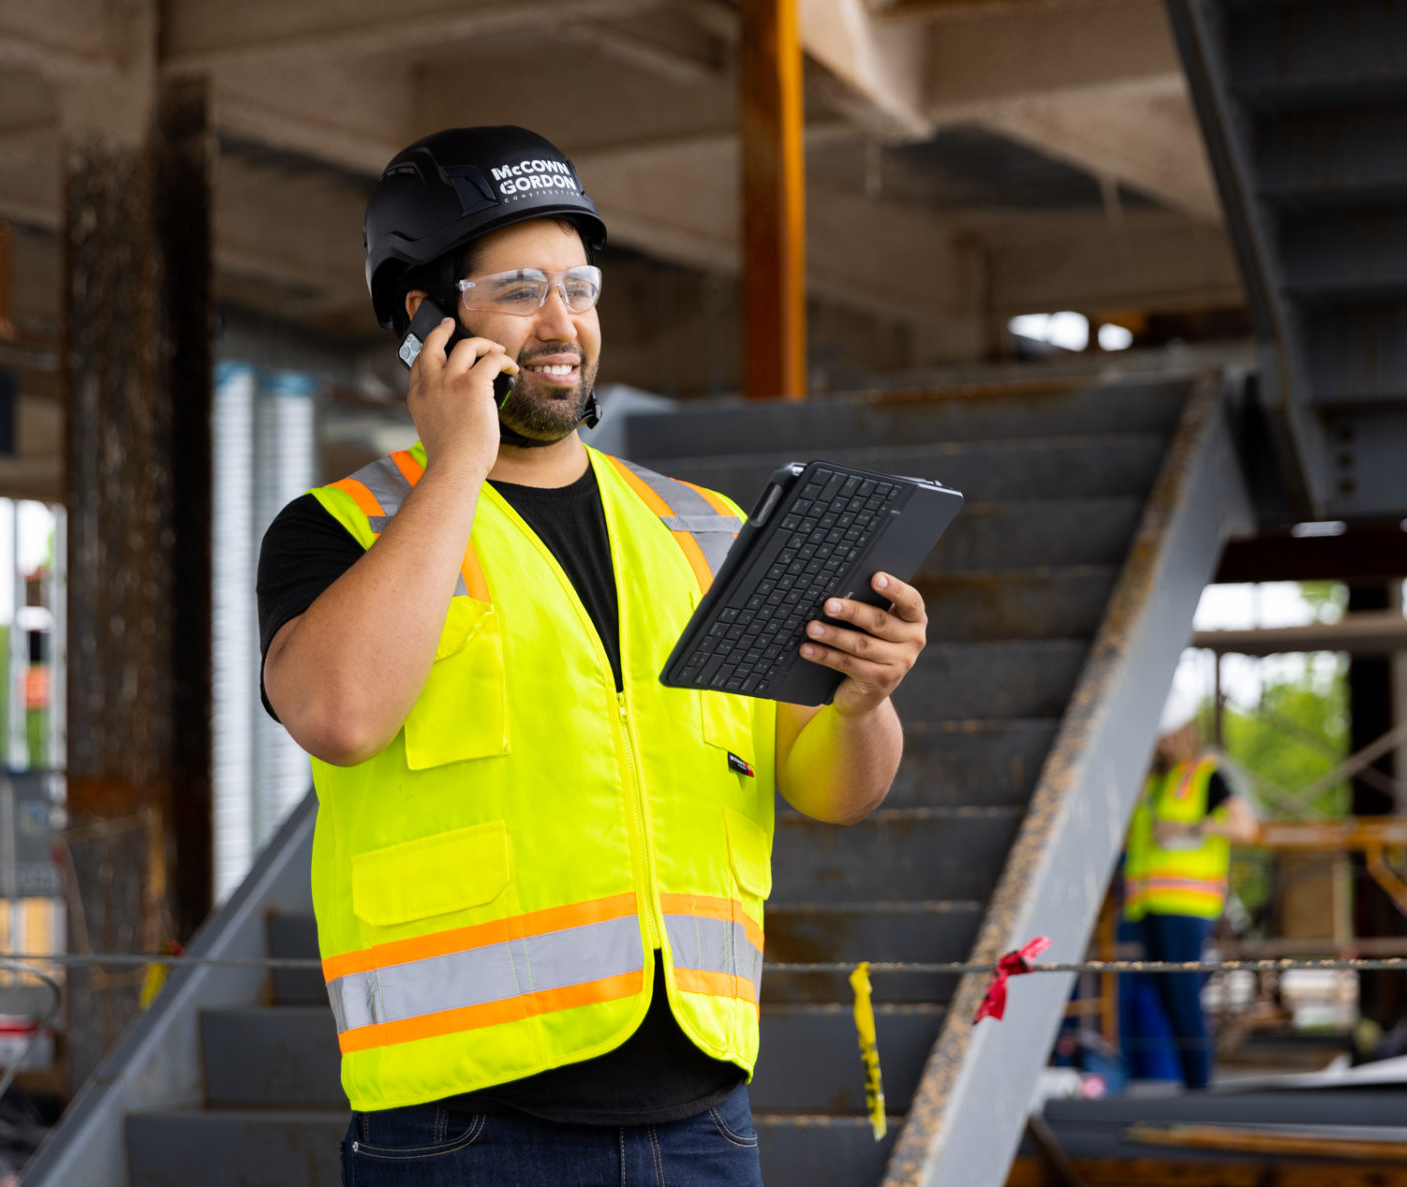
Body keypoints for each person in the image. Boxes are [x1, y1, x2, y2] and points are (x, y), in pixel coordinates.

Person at [255, 126, 930, 1185]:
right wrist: (459, 464)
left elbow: (835, 790)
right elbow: (338, 714)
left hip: (703, 1115)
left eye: (582, 287)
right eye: (521, 288)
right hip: (462, 1125)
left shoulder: (705, 531)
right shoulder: (341, 529)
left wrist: (861, 700)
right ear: (426, 316)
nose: (563, 324)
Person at [1122, 719, 1257, 1090]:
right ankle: (1190, 1085)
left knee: (1184, 1000)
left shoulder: (1207, 775)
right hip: (1148, 905)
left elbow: (1245, 827)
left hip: (1187, 905)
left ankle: (1200, 1088)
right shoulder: (1154, 780)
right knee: (1167, 1000)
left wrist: (1189, 829)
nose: (1160, 740)